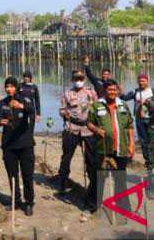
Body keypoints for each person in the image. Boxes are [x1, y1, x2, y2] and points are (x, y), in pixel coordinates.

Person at [87, 79, 134, 215]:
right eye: (109, 90)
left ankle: (123, 207)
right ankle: (94, 205)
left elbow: (130, 126)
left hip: (120, 149)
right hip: (102, 148)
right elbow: (89, 123)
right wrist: (97, 130)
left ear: (117, 91)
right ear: (105, 91)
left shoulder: (123, 106)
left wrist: (131, 145)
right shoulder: (97, 106)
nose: (112, 92)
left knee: (120, 178)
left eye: (114, 90)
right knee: (98, 178)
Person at [56, 69, 98, 206]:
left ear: (84, 78)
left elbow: (97, 108)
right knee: (66, 157)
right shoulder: (67, 93)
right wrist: (65, 114)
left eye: (81, 78)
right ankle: (62, 182)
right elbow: (61, 110)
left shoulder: (91, 92)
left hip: (88, 129)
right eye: (76, 78)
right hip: (71, 129)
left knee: (91, 159)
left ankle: (93, 187)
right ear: (72, 79)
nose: (79, 80)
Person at [0, 77, 36, 216]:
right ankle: (16, 200)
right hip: (9, 145)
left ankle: (29, 202)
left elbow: (32, 110)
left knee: (27, 175)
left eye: (12, 86)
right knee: (12, 175)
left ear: (16, 87)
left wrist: (21, 106)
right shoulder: (3, 103)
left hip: (25, 144)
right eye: (7, 86)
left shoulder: (23, 99)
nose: (9, 89)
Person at [119, 74, 153, 170]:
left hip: (151, 119)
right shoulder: (136, 92)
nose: (141, 83)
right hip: (140, 120)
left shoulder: (152, 91)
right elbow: (124, 98)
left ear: (147, 81)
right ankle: (148, 161)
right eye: (140, 81)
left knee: (153, 140)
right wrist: (121, 91)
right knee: (143, 141)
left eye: (143, 81)